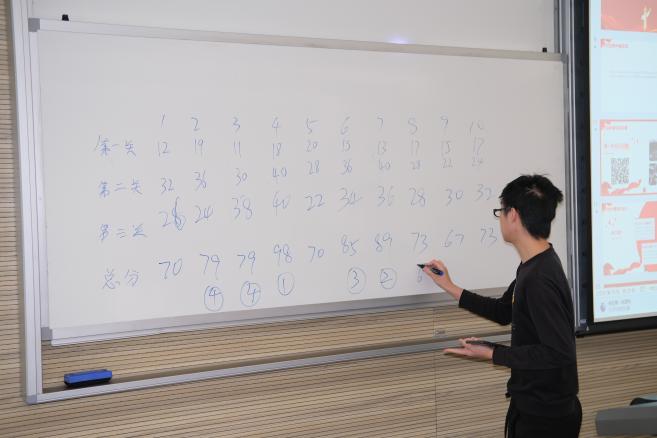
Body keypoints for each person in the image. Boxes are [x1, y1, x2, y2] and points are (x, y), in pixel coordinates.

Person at [421, 174, 581, 438]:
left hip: (546, 418)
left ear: (513, 215)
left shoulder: (539, 278)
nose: (501, 219)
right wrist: (450, 286)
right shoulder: (534, 264)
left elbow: (558, 353)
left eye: (501, 212)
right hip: (534, 407)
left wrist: (494, 353)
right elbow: (504, 311)